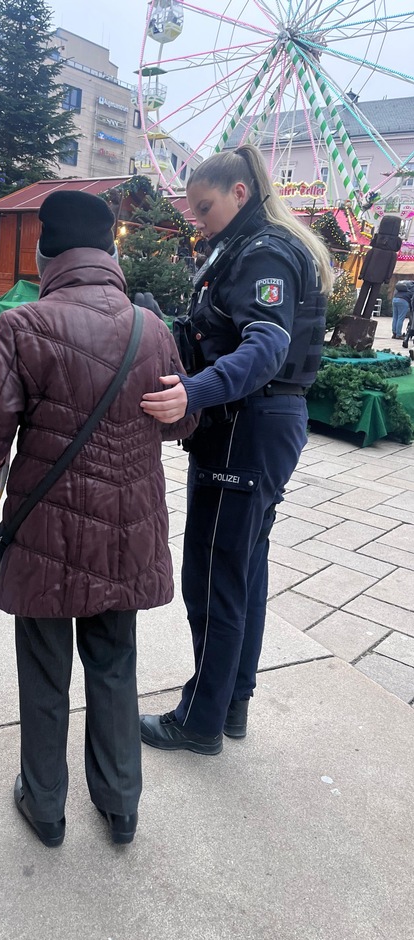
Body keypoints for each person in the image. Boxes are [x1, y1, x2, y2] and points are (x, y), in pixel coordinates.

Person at [0, 191, 197, 847]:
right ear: (111, 251)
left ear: (44, 251)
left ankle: (47, 805)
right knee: (115, 664)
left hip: (46, 536)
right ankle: (121, 807)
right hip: (127, 532)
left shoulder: (24, 326)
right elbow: (184, 419)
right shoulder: (154, 328)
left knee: (44, 671)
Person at [139, 143, 333, 755]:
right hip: (259, 422)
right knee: (244, 569)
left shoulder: (264, 251)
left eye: (204, 207)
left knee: (214, 576)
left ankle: (200, 721)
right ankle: (232, 701)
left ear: (240, 194)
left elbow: (266, 345)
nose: (197, 220)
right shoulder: (252, 246)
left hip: (246, 424)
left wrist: (193, 394)